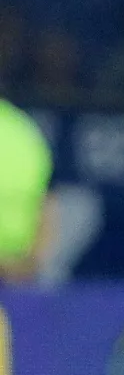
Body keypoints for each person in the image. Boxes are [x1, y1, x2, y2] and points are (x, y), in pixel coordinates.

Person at [0, 99, 54, 283]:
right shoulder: (23, 128)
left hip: (15, 274)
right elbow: (49, 204)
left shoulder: (21, 130)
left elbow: (47, 202)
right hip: (16, 270)